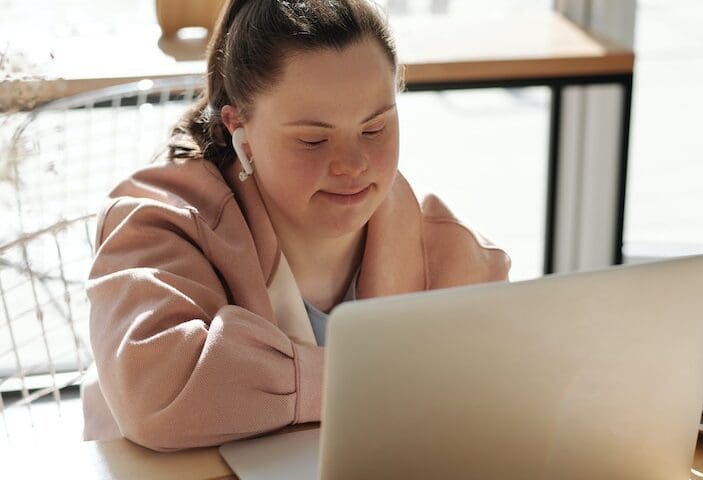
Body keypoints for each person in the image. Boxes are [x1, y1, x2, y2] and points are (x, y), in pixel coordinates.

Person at [81, 0, 510, 451]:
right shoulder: (158, 223)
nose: (353, 164)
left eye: (374, 128)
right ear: (238, 129)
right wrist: (376, 380)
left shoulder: (453, 251)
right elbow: (155, 391)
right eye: (313, 140)